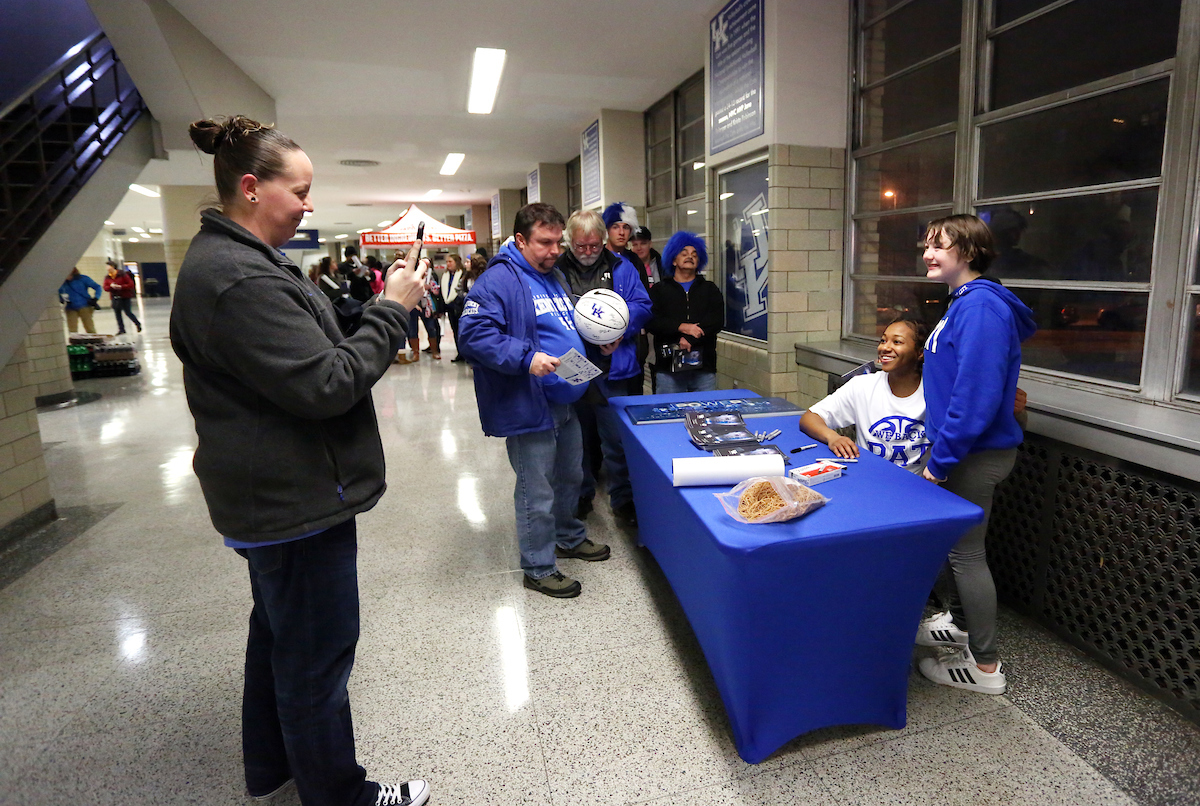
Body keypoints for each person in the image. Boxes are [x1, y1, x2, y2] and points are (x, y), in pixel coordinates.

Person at [169, 114, 430, 806]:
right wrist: (393, 313)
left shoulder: (244, 263)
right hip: (293, 505)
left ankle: (273, 769)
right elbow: (327, 384)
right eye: (301, 190)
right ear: (251, 188)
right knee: (316, 660)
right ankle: (341, 796)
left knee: (280, 637)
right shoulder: (238, 278)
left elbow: (309, 353)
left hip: (279, 496)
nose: (310, 204)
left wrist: (378, 306)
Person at [458, 203, 611, 598]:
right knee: (536, 491)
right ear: (521, 240)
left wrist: (598, 340)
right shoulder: (499, 281)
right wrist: (526, 358)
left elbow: (564, 325)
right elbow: (474, 336)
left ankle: (569, 537)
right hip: (530, 405)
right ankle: (539, 567)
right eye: (544, 242)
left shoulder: (552, 275)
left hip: (566, 401)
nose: (554, 250)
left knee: (570, 477)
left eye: (558, 242)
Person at [914, 213, 1036, 697]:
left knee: (966, 554)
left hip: (972, 454)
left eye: (938, 245)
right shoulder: (961, 301)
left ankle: (986, 668)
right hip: (961, 449)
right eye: (926, 244)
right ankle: (962, 628)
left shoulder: (982, 307)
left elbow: (976, 398)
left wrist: (939, 464)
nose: (927, 253)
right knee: (956, 548)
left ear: (968, 252)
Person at [555, 210, 652, 527]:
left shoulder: (621, 267)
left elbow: (642, 305)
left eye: (594, 246)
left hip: (613, 368)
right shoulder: (554, 269)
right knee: (576, 441)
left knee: (617, 441)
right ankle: (581, 496)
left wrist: (620, 331)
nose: (587, 252)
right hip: (570, 368)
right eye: (581, 246)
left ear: (602, 240)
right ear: (570, 241)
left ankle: (623, 499)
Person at [799, 318, 931, 472]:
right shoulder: (862, 386)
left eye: (897, 342)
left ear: (920, 352)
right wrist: (833, 437)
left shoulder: (934, 393)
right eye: (883, 340)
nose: (885, 348)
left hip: (913, 487)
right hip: (866, 477)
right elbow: (809, 418)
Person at [647, 232, 724, 394]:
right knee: (669, 416)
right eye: (684, 254)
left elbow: (716, 320)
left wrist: (689, 337)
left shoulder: (710, 289)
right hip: (668, 370)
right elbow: (652, 321)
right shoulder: (660, 290)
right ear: (673, 260)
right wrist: (681, 327)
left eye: (694, 254)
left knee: (705, 415)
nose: (690, 256)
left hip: (704, 370)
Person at [103, 259, 142, 334]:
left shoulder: (122, 274)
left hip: (125, 296)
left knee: (128, 312)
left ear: (112, 266)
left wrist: (121, 287)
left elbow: (131, 285)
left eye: (108, 266)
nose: (106, 268)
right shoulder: (107, 277)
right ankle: (121, 329)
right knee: (117, 313)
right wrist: (111, 287)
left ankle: (137, 323)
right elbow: (105, 287)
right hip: (115, 297)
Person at [59, 267, 103, 333]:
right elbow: (60, 292)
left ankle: (94, 341)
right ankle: (75, 342)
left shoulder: (83, 279)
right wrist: (61, 299)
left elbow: (97, 287)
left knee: (89, 327)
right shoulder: (62, 282)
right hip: (70, 307)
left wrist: (96, 297)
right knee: (72, 329)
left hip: (85, 306)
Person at [442, 253, 466, 361]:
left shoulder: (463, 274)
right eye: (447, 262)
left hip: (460, 307)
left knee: (463, 331)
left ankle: (467, 354)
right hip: (450, 307)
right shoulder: (446, 275)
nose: (448, 264)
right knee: (455, 330)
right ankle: (460, 353)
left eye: (450, 262)